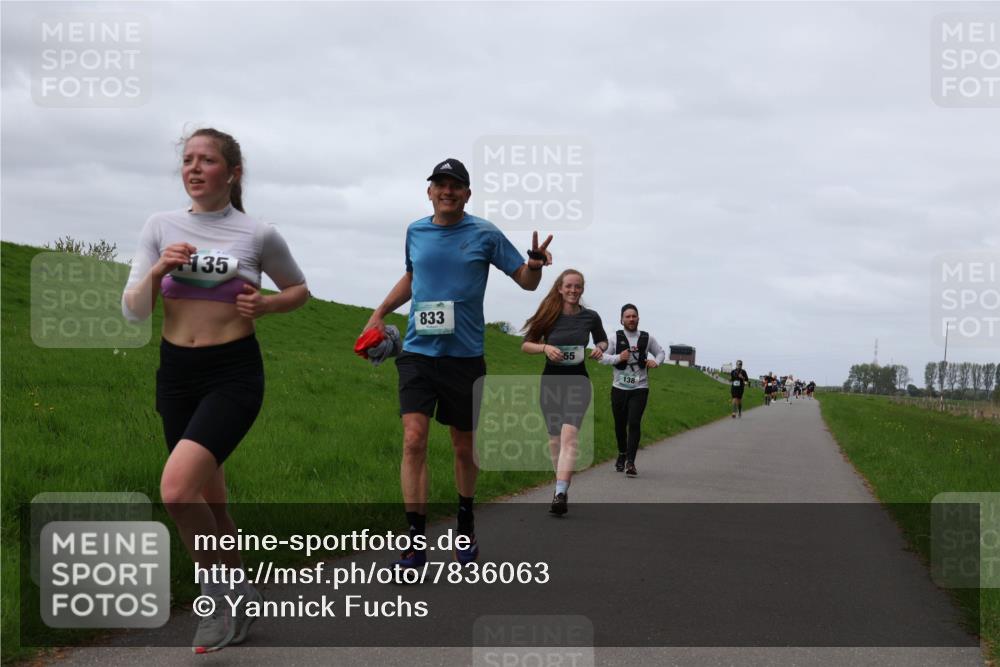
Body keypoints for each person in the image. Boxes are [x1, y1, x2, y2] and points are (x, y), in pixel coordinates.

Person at [121, 128, 309, 653]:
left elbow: (299, 290)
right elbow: (131, 309)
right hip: (176, 373)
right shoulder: (160, 226)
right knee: (212, 504)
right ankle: (243, 596)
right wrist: (159, 270)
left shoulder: (257, 234)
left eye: (207, 160)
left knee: (177, 491)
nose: (195, 168)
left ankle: (215, 599)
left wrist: (268, 305)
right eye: (188, 160)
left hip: (233, 374)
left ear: (233, 172)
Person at [363, 158, 552, 567]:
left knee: (463, 448)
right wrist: (380, 311)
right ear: (429, 191)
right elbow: (412, 277)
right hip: (416, 353)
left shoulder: (484, 233)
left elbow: (524, 280)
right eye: (440, 184)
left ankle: (465, 528)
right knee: (414, 440)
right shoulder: (415, 230)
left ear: (467, 193)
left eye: (456, 185)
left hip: (464, 358)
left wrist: (535, 266)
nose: (447, 191)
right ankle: (414, 542)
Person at [521, 270, 608, 514]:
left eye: (577, 287)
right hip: (551, 382)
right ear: (560, 288)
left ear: (582, 289)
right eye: (568, 286)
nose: (573, 290)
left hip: (578, 381)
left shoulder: (590, 317)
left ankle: (560, 493)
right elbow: (526, 345)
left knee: (570, 436)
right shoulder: (548, 314)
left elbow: (602, 340)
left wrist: (600, 348)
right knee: (554, 439)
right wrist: (545, 348)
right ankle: (560, 482)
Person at [598, 304, 665, 476]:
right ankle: (622, 453)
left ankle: (630, 462)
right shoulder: (614, 338)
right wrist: (619, 357)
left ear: (638, 318)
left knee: (634, 423)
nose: (631, 319)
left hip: (640, 388)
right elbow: (602, 358)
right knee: (620, 425)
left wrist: (656, 362)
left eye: (634, 316)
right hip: (619, 388)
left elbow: (660, 353)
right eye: (627, 316)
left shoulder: (647, 338)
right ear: (621, 319)